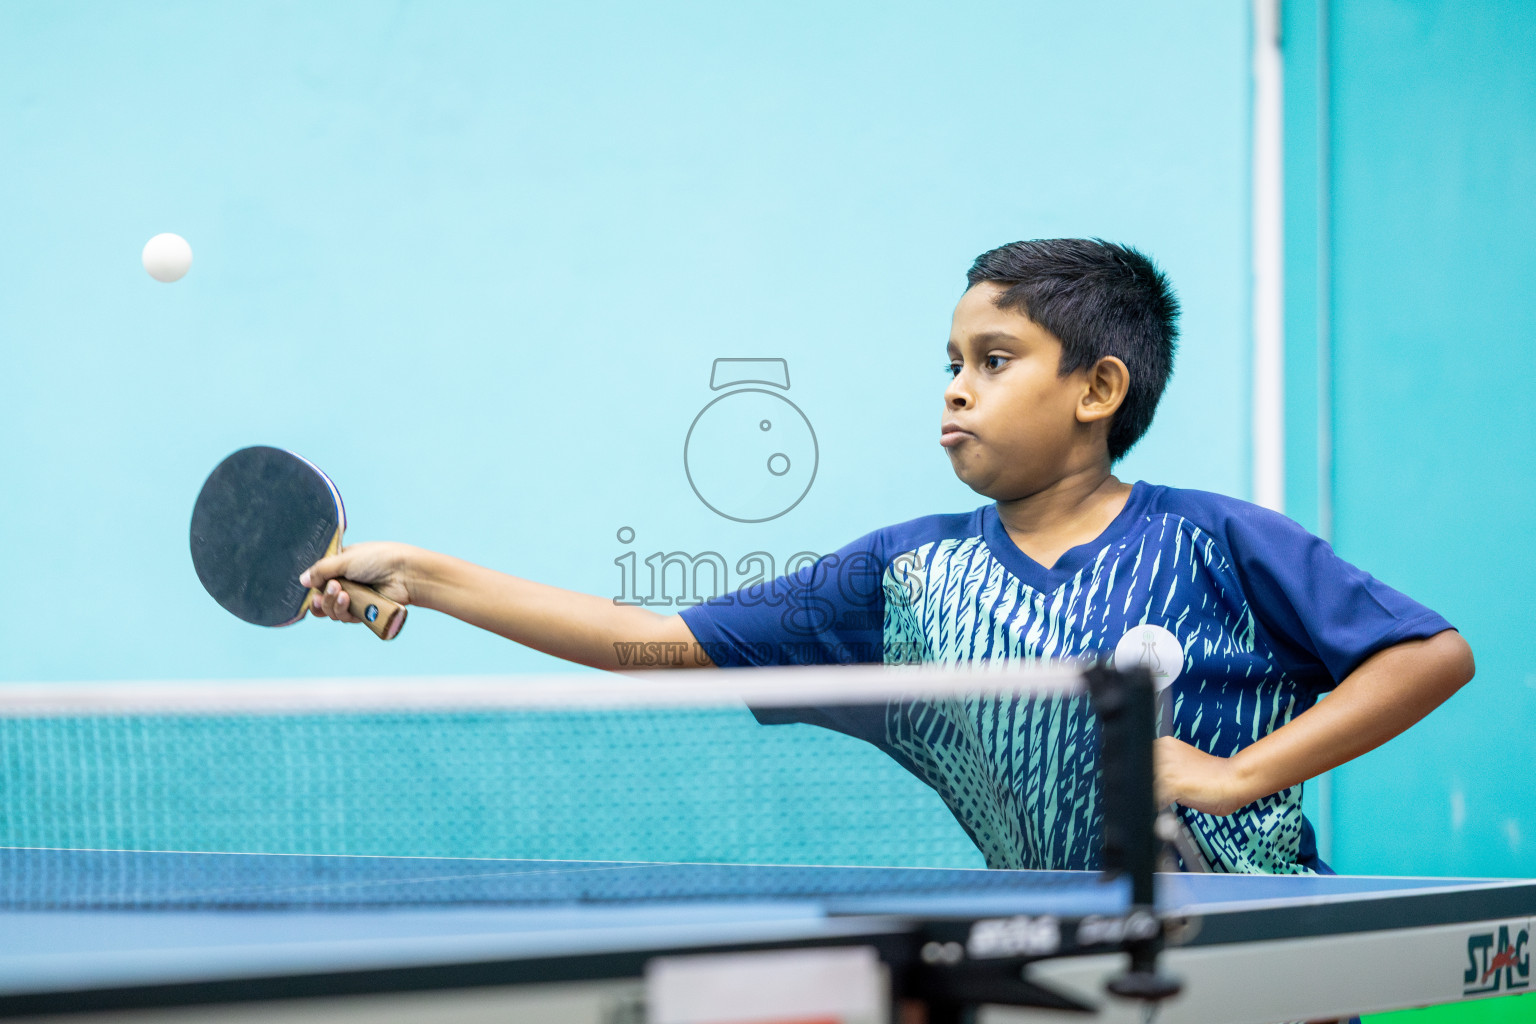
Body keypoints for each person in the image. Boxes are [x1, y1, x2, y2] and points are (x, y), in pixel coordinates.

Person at [301, 238, 1473, 874]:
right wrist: (428, 577)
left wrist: (1238, 771)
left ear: (1098, 389)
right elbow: (648, 642)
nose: (957, 385)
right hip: (1060, 960)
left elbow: (1429, 654)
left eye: (995, 357)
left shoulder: (1214, 539)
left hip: (1261, 964)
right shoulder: (901, 578)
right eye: (950, 360)